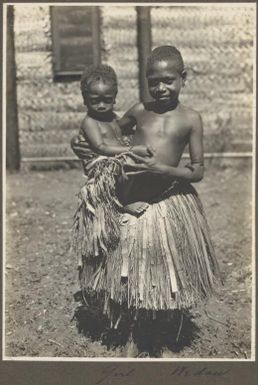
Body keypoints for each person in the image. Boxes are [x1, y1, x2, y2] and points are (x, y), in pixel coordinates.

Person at [72, 46, 221, 357]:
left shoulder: (191, 119)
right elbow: (110, 133)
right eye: (153, 81)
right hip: (134, 198)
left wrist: (162, 169)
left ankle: (164, 328)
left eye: (168, 80)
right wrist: (82, 142)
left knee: (164, 270)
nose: (160, 88)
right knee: (129, 268)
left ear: (183, 78)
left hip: (169, 200)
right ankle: (131, 328)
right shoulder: (140, 110)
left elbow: (198, 171)